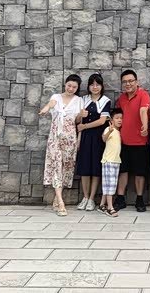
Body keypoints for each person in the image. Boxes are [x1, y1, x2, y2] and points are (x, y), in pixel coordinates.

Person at [39, 74, 86, 217]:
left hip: (70, 138)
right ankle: (60, 202)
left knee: (66, 166)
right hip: (55, 137)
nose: (71, 89)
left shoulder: (79, 101)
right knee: (56, 165)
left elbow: (78, 121)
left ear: (77, 88)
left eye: (74, 87)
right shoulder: (56, 97)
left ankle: (57, 197)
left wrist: (81, 116)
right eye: (69, 85)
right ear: (65, 84)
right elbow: (51, 104)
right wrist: (46, 108)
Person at [114, 70, 150, 212]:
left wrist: (145, 126)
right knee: (123, 171)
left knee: (140, 173)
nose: (128, 84)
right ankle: (120, 198)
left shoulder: (143, 95)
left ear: (136, 82)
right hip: (123, 142)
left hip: (140, 141)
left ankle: (139, 199)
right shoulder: (121, 99)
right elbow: (117, 118)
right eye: (125, 82)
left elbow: (143, 111)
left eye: (130, 81)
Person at [76, 73, 111, 212]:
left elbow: (102, 121)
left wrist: (85, 126)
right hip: (85, 138)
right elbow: (77, 121)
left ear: (102, 86)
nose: (95, 87)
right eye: (92, 84)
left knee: (96, 169)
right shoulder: (83, 100)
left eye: (97, 84)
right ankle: (85, 197)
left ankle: (91, 199)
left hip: (97, 138)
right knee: (84, 167)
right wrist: (80, 116)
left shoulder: (106, 101)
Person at [99, 108, 123, 217]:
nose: (120, 120)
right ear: (111, 120)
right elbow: (104, 139)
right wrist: (109, 131)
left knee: (108, 184)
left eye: (121, 118)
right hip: (109, 161)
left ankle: (102, 205)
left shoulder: (118, 132)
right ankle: (110, 207)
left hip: (115, 161)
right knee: (110, 185)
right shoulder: (109, 129)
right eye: (117, 118)